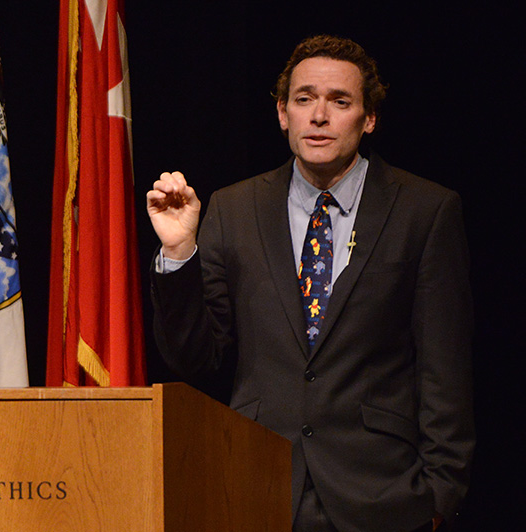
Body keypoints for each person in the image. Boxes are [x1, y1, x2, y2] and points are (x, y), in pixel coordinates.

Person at [147, 35, 473, 532]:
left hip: (381, 497)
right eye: (304, 99)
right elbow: (196, 358)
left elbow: (444, 371)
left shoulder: (425, 210)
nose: (319, 116)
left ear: (368, 119)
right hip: (256, 485)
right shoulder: (234, 208)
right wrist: (178, 253)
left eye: (339, 101)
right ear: (283, 113)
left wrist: (438, 497)